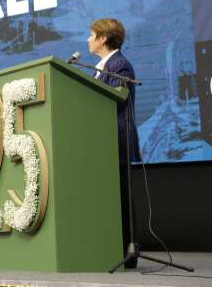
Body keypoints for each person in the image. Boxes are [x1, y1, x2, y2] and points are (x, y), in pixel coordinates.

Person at [87, 18, 140, 268]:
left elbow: (113, 101)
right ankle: (109, 248)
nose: (88, 39)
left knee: (121, 198)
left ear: (103, 38)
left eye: (91, 35)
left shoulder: (120, 66)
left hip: (116, 140)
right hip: (101, 141)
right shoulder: (100, 66)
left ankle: (128, 255)